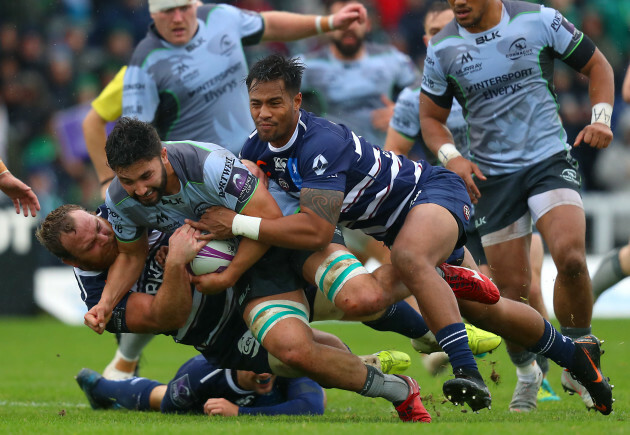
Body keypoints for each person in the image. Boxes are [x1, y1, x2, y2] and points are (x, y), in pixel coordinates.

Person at [192, 54, 613, 414]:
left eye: (274, 103)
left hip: (430, 193)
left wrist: (234, 224)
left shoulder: (318, 142)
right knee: (483, 310)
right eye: (255, 104)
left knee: (412, 260)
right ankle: (578, 360)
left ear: (297, 101)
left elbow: (317, 228)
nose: (264, 113)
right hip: (394, 227)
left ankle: (466, 370)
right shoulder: (254, 150)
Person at [37, 202, 427, 421]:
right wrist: (175, 265)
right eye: (92, 244)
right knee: (298, 357)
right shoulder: (96, 296)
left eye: (99, 225)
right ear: (74, 260)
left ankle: (435, 331)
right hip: (223, 336)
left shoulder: (122, 206)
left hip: (252, 278)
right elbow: (167, 317)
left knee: (353, 298)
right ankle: (103, 387)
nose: (106, 235)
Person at [418, 0, 614, 413]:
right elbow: (431, 120)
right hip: (493, 179)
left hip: (548, 160)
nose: (459, 3)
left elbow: (598, 66)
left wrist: (600, 117)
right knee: (510, 295)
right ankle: (528, 374)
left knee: (572, 256)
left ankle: (580, 354)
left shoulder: (538, 20)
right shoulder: (442, 48)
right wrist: (453, 156)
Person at [384, 2, 560, 406]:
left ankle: (546, 362)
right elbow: (392, 155)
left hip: (502, 195)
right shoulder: (415, 100)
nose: (436, 37)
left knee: (529, 283)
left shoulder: (493, 75)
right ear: (426, 40)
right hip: (452, 213)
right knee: (492, 294)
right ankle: (527, 372)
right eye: (430, 31)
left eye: (443, 28)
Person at [84, 0, 369, 195]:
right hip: (208, 183)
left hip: (264, 159)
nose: (178, 18)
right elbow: (107, 129)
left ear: (195, 5)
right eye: (168, 11)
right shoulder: (142, 67)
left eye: (184, 8)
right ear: (153, 15)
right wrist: (109, 182)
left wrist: (329, 22)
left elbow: (266, 24)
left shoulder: (219, 17)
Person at [299, 0, 419, 148]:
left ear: (368, 24)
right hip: (330, 160)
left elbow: (427, 95)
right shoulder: (308, 65)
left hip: (384, 159)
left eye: (355, 19)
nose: (348, 27)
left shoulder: (391, 58)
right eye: (340, 20)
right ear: (327, 27)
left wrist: (402, 111)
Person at [75, 359, 326, 416]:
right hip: (211, 397)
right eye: (254, 365)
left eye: (266, 363)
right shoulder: (201, 373)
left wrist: (238, 413)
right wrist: (213, 409)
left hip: (264, 403)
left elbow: (312, 407)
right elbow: (169, 408)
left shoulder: (288, 360)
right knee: (162, 395)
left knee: (319, 397)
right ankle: (100, 388)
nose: (263, 372)